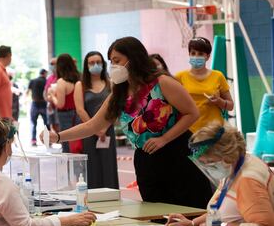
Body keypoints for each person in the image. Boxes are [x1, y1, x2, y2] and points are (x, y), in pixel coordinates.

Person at [42, 37, 213, 208]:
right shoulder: (119, 94)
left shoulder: (162, 82)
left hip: (179, 154)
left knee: (192, 209)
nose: (113, 66)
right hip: (147, 161)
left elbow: (192, 113)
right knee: (158, 215)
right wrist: (57, 137)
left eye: (117, 61)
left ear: (134, 58)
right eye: (111, 62)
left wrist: (164, 139)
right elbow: (92, 126)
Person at [166, 122, 274, 226]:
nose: (208, 167)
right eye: (204, 163)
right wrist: (192, 223)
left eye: (210, 162)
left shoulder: (247, 179)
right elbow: (222, 212)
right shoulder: (233, 166)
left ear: (227, 154)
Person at [74, 51, 118, 189]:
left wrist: (104, 129)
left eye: (98, 62)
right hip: (88, 132)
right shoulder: (80, 85)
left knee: (108, 165)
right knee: (92, 165)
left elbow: (115, 107)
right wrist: (94, 129)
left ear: (103, 64)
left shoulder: (111, 83)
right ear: (86, 65)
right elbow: (80, 109)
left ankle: (111, 195)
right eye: (92, 63)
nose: (95, 65)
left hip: (107, 132)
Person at [175, 37, 234, 133]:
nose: (196, 57)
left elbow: (230, 106)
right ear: (189, 54)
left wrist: (219, 101)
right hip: (188, 130)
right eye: (193, 53)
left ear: (208, 56)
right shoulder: (179, 77)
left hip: (214, 130)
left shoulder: (218, 76)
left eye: (200, 54)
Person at [47, 54, 81, 153]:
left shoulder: (62, 82)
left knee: (66, 141)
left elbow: (60, 104)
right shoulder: (79, 79)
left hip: (65, 115)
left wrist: (52, 96)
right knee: (77, 140)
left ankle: (69, 166)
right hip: (77, 114)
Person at [27, 69, 49, 146]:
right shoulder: (47, 81)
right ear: (45, 73)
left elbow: (28, 92)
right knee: (46, 123)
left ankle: (33, 140)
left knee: (33, 123)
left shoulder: (32, 81)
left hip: (35, 103)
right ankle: (47, 140)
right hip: (44, 104)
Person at [44, 57, 60, 133]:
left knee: (59, 125)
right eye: (51, 64)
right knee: (52, 125)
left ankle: (63, 143)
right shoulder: (50, 77)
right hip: (50, 106)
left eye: (54, 64)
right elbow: (45, 91)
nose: (52, 66)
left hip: (59, 106)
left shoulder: (61, 77)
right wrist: (48, 100)